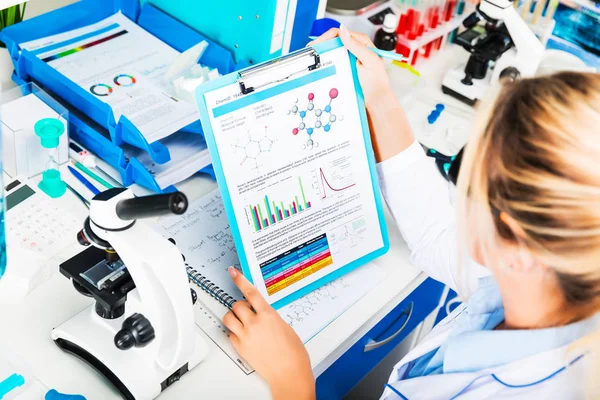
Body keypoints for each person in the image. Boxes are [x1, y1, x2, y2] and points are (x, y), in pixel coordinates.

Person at [222, 25, 600, 399]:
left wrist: (294, 380)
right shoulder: (550, 281)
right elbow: (436, 231)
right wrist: (379, 96)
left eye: (466, 183)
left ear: (515, 244)